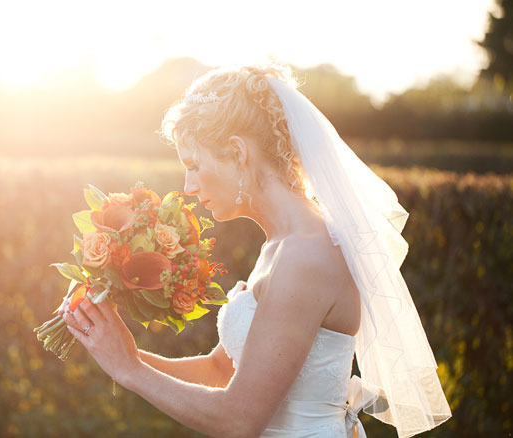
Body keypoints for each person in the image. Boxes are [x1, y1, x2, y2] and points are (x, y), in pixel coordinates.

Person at [60, 64, 451, 437]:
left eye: (194, 165)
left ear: (237, 152)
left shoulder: (305, 256)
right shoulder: (281, 246)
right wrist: (114, 349)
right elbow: (220, 370)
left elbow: (238, 421)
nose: (188, 186)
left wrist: (129, 368)